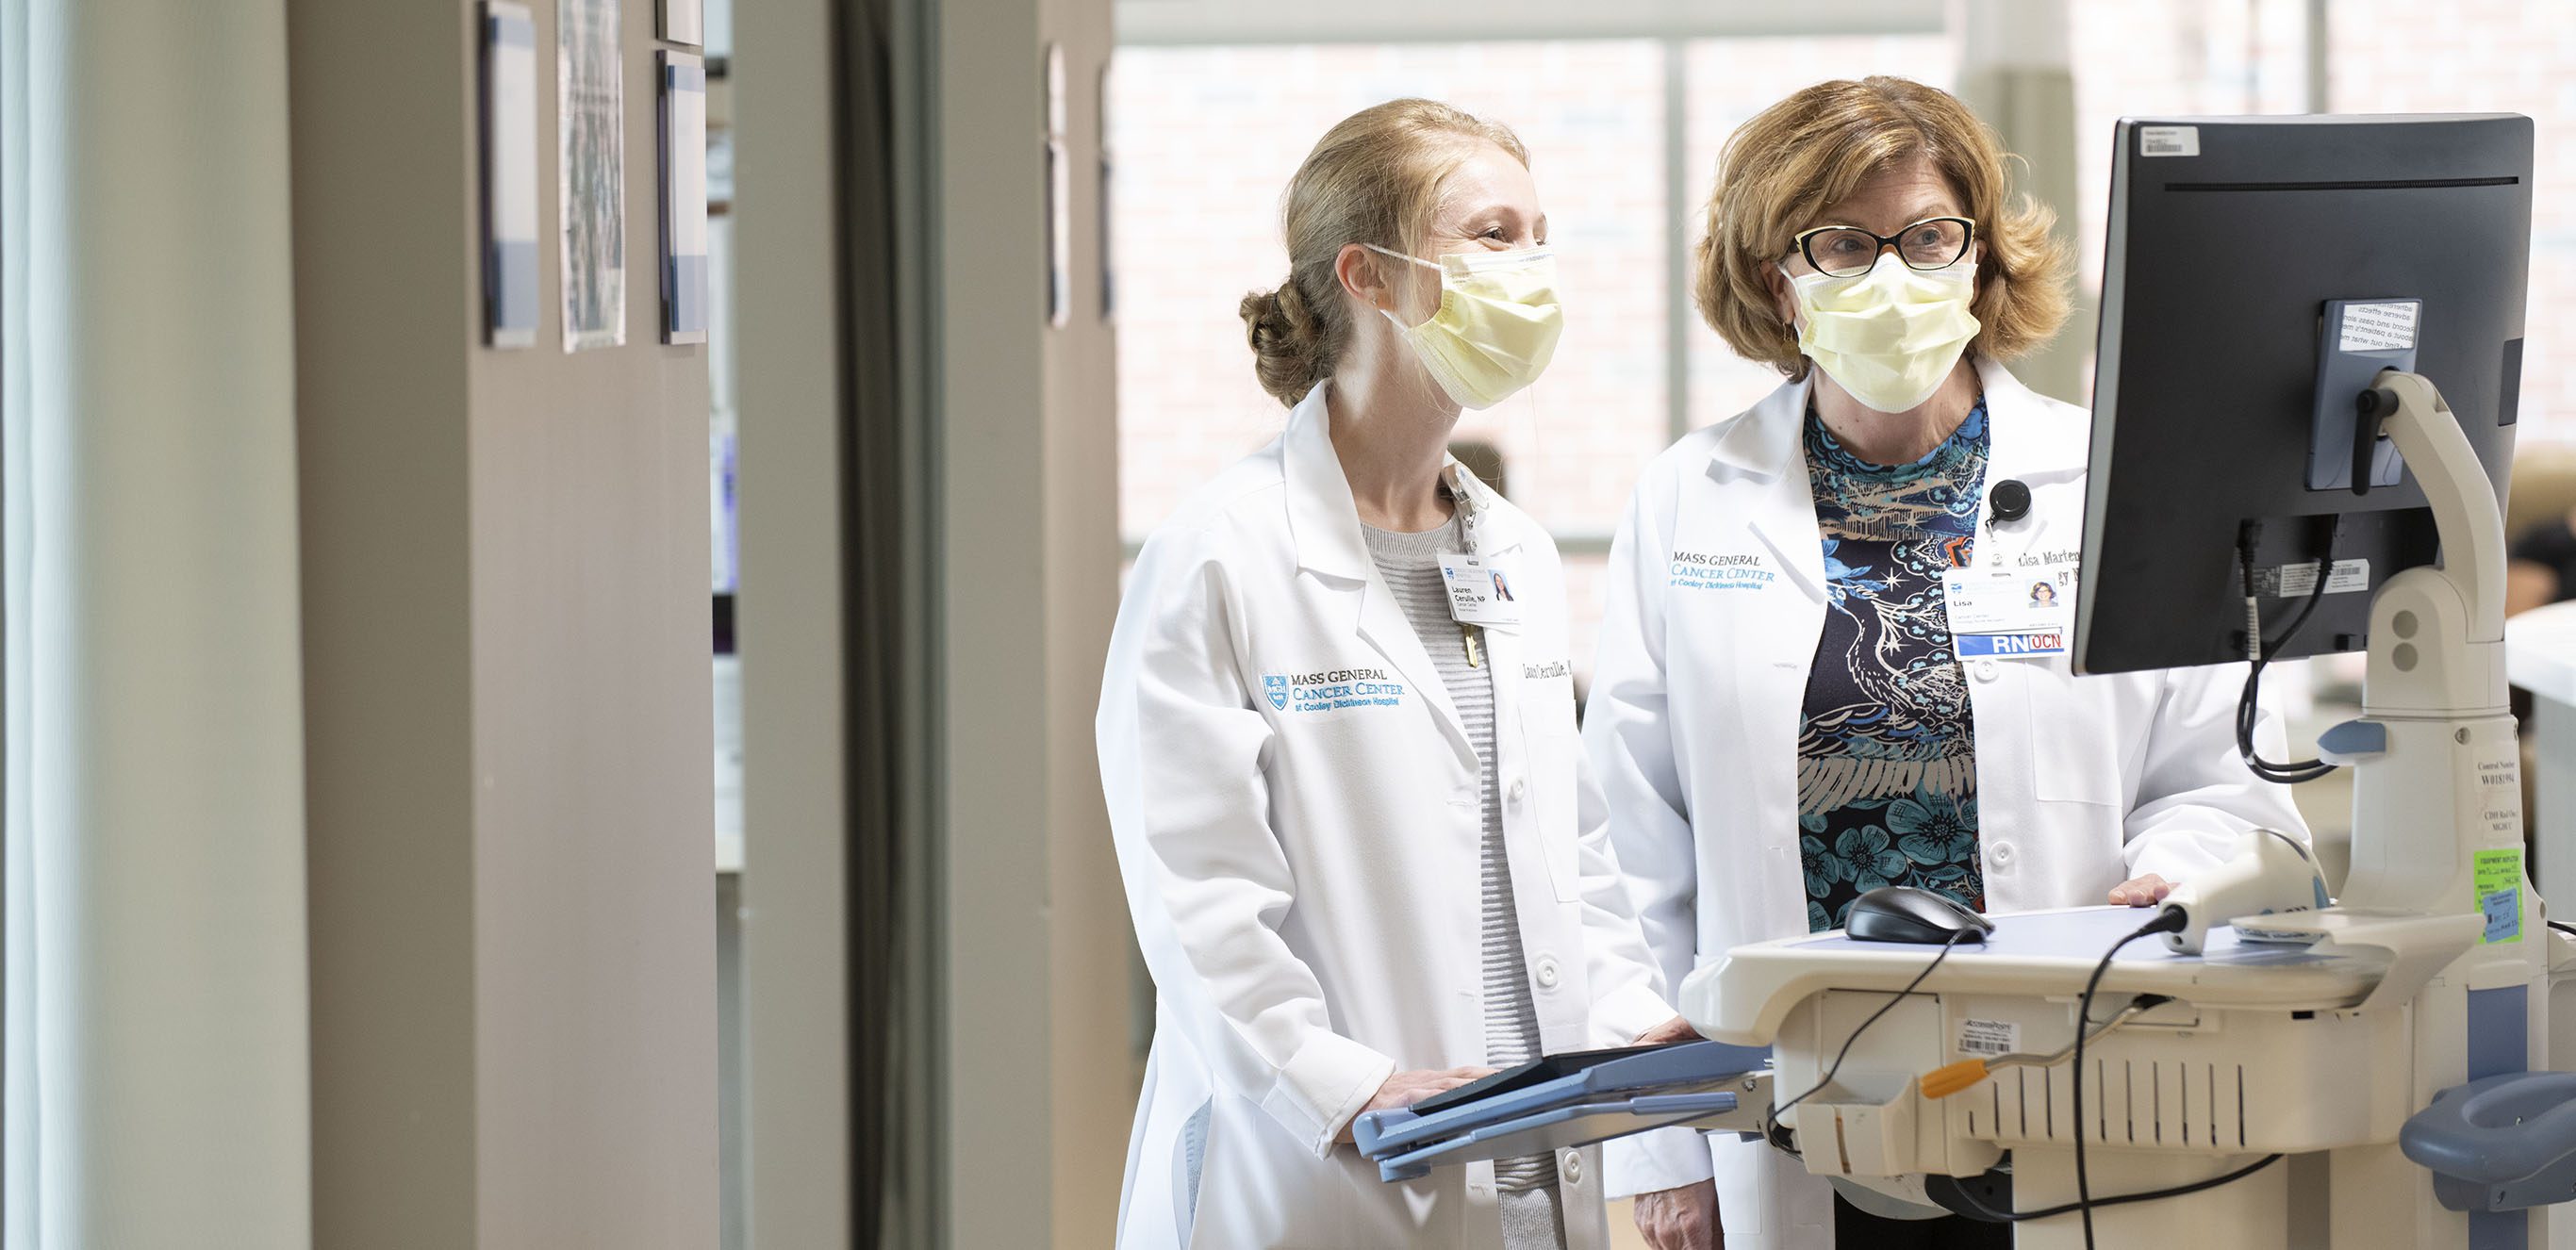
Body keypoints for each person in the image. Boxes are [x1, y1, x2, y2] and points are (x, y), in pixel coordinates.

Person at [1583, 77, 2310, 1250]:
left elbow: (2218, 773)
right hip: (1783, 1099)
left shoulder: (2113, 479)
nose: (1891, 275)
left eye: (1926, 237)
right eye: (1839, 244)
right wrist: (1664, 1144)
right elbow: (1624, 849)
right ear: (1777, 276)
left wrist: (2175, 870)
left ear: (1977, 258)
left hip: (2076, 1084)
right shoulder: (1685, 499)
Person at [1098, 98, 1683, 1250]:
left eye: (1537, 232)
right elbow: (1195, 901)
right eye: (1491, 234)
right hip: (1330, 1168)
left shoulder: (1508, 549)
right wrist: (1342, 1084)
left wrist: (1633, 1019)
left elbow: (1566, 848)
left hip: (1529, 1167)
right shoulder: (1221, 556)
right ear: (1366, 273)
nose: (1532, 267)